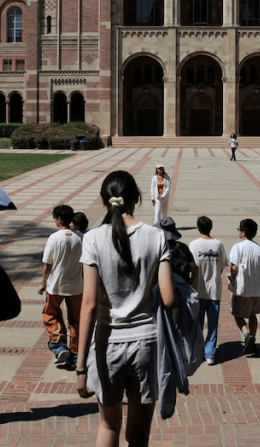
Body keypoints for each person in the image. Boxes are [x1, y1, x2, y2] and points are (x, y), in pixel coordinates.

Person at [76, 170, 176, 447]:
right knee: (139, 433)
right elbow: (168, 299)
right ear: (137, 199)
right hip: (146, 344)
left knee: (108, 425)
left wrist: (81, 366)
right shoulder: (156, 237)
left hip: (107, 343)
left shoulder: (93, 239)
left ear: (105, 201)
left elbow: (89, 303)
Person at [39, 204, 83, 366]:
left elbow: (47, 265)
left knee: (51, 314)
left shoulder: (54, 238)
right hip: (77, 285)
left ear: (58, 219)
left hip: (56, 285)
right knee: (76, 320)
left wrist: (43, 283)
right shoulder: (80, 237)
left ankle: (59, 344)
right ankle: (76, 353)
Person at [188, 216, 227, 365]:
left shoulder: (194, 244)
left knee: (197, 325)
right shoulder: (218, 245)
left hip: (198, 291)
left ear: (198, 228)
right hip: (214, 291)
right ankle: (210, 354)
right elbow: (223, 265)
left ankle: (198, 352)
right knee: (212, 324)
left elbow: (192, 266)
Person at [228, 218, 260, 355]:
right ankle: (253, 339)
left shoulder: (237, 247)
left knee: (238, 314)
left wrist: (232, 278)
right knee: (252, 314)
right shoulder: (259, 249)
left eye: (239, 229)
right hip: (256, 290)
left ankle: (247, 335)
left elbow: (233, 267)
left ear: (244, 232)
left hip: (241, 288)